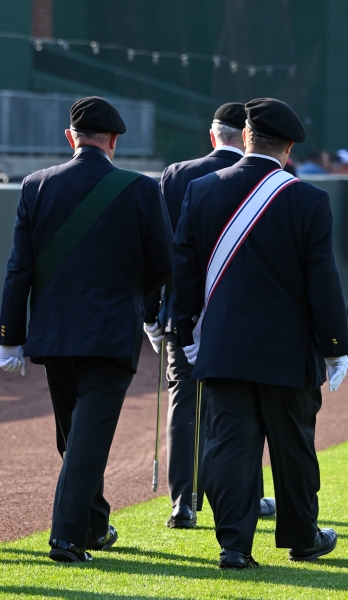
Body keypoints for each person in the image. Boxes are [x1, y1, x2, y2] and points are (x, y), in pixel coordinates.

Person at [173, 97, 348, 569]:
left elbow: (184, 271)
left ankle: (233, 545)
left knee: (228, 445)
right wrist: (336, 348)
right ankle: (302, 538)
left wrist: (183, 333)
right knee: (293, 449)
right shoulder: (309, 199)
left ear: (245, 137)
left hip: (223, 347)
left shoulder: (201, 191)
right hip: (288, 352)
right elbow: (322, 282)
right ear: (288, 150)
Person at [0, 96, 173, 563]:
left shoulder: (36, 185)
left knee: (75, 438)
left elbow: (19, 269)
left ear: (70, 138)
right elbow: (163, 263)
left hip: (55, 335)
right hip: (111, 331)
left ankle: (92, 525)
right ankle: (67, 537)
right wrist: (135, 296)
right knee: (85, 439)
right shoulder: (139, 189)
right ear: (113, 141)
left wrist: (9, 335)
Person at [145, 103, 275, 528]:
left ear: (212, 134)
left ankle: (184, 502)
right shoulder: (268, 178)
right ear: (250, 136)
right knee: (242, 405)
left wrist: (153, 315)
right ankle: (248, 497)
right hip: (242, 314)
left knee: (184, 400)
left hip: (183, 310)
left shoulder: (177, 174)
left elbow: (160, 253)